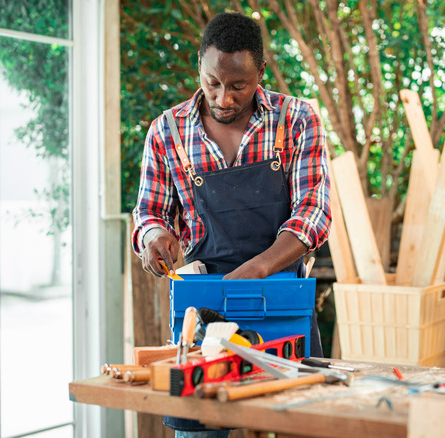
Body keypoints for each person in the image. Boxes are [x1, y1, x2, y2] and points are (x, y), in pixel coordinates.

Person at [131, 12, 331, 437]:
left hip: (280, 298)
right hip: (202, 306)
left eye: (238, 85)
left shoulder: (295, 120)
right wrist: (153, 236)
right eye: (212, 82)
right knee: (199, 427)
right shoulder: (166, 132)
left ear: (260, 72)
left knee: (301, 419)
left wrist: (256, 271)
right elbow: (149, 212)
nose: (223, 98)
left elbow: (314, 212)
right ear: (200, 66)